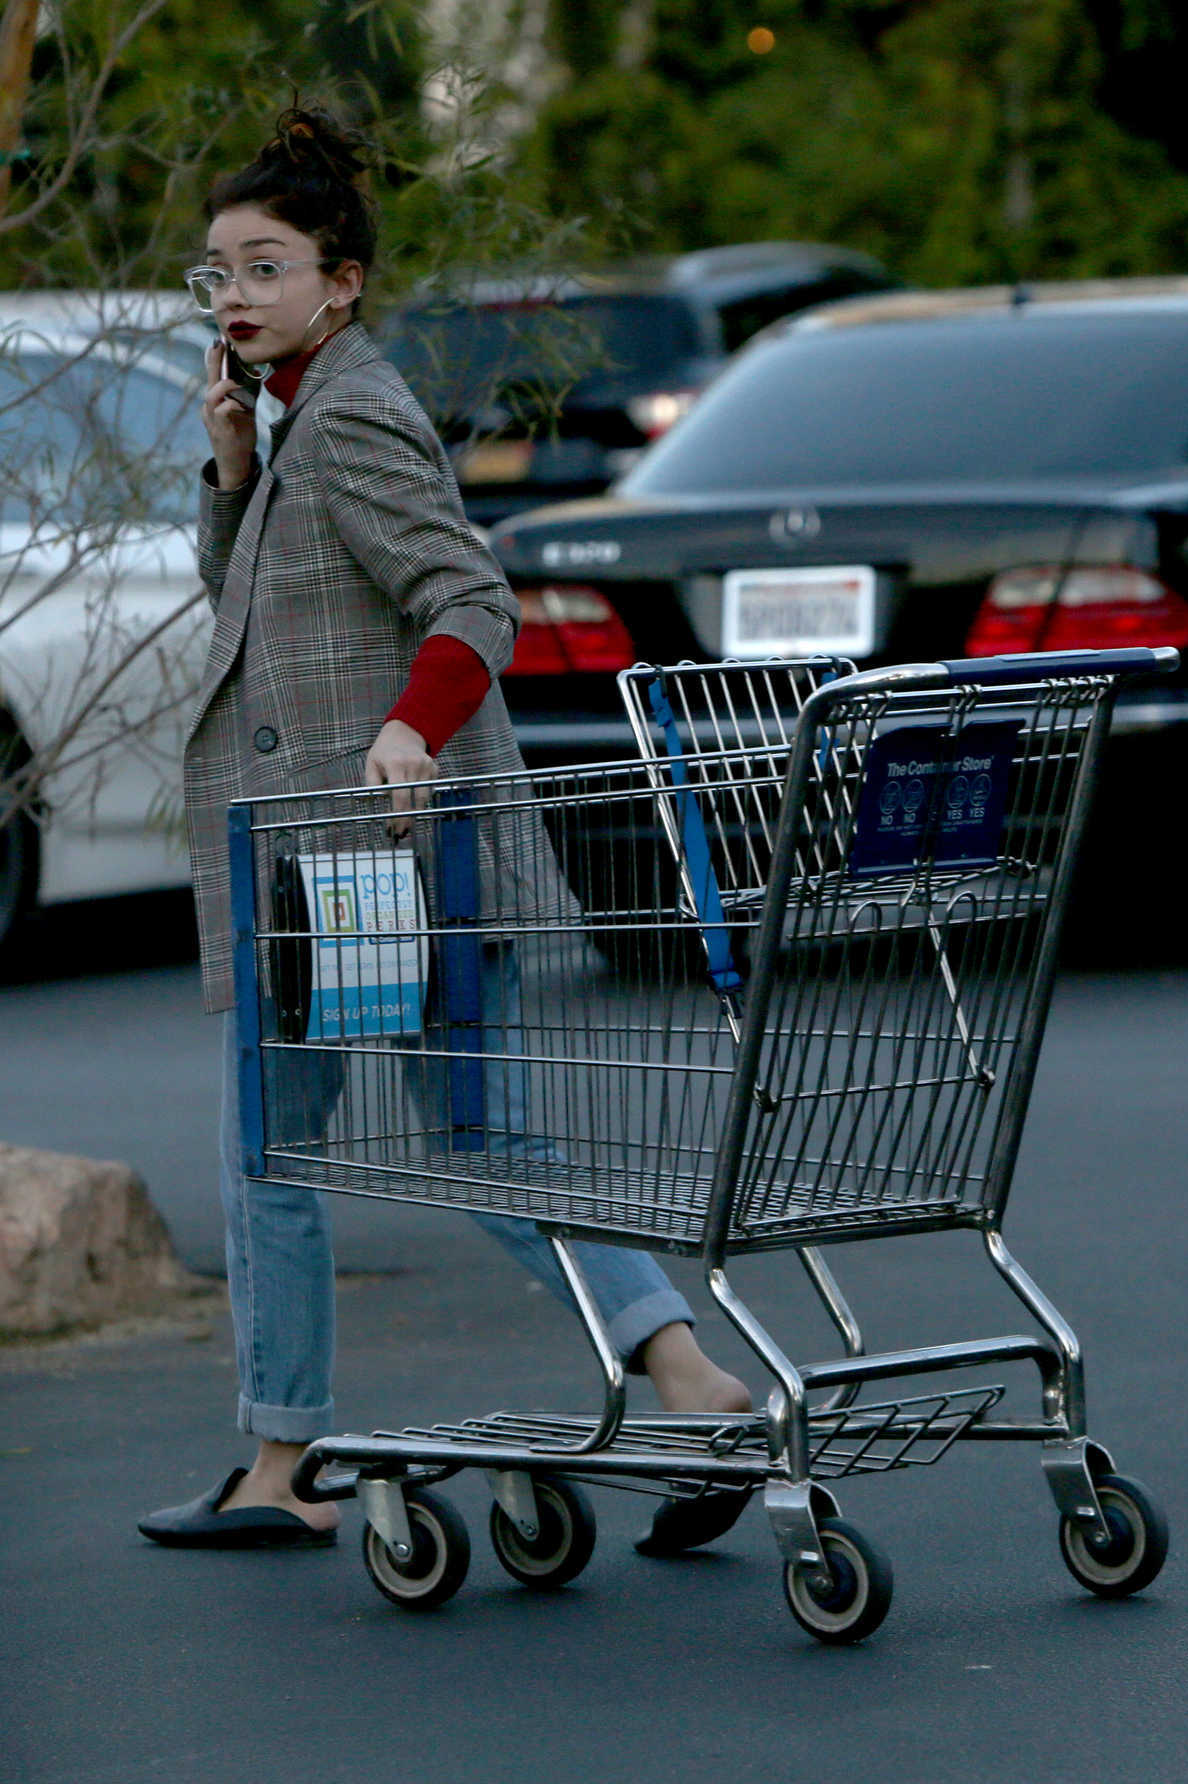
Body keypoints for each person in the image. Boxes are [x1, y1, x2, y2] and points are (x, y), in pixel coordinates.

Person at [138, 105, 749, 1555]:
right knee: (473, 1145)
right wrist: (230, 467)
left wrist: (409, 727)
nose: (233, 295)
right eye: (216, 271)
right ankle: (692, 1379)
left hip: (360, 866)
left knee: (280, 1158)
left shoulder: (347, 412)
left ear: (339, 281)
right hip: (368, 864)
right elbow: (263, 615)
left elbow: (468, 597)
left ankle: (284, 1465)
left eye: (265, 266)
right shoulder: (300, 415)